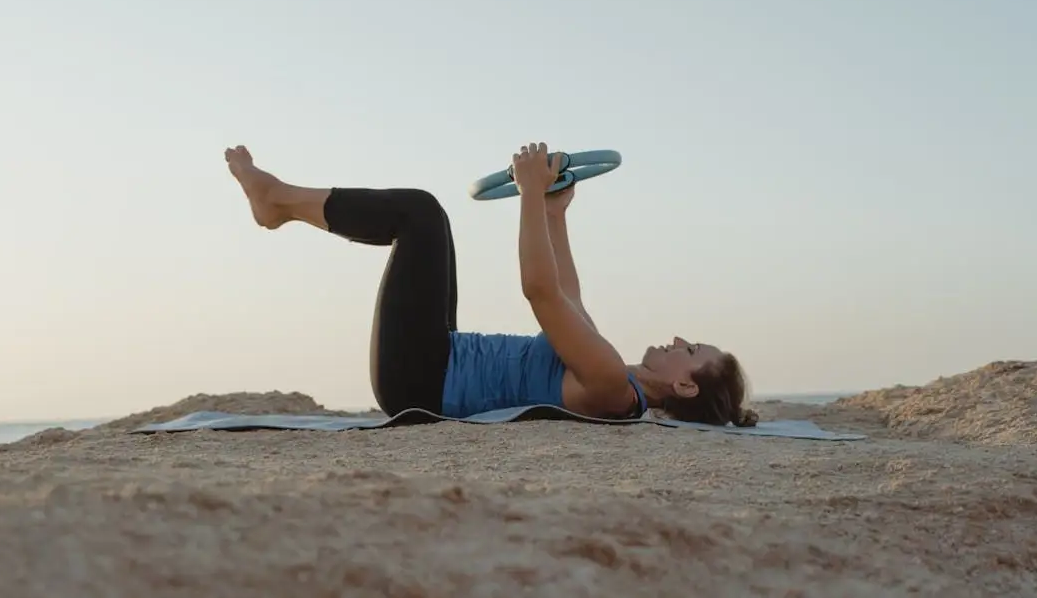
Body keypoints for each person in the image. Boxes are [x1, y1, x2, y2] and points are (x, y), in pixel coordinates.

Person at [223, 141, 758, 427]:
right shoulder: (615, 376)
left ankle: (278, 202)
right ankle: (279, 202)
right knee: (428, 221)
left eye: (690, 349)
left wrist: (527, 191)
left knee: (422, 215)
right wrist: (554, 212)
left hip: (420, 381)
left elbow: (541, 293)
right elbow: (567, 295)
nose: (679, 338)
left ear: (687, 385)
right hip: (439, 358)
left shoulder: (611, 386)